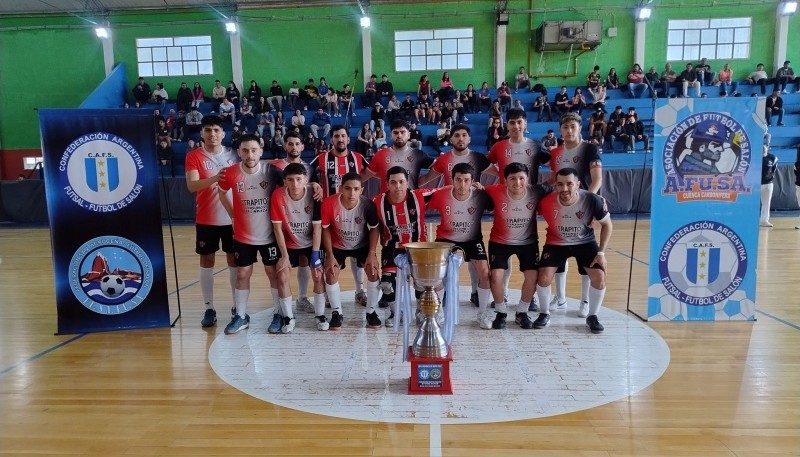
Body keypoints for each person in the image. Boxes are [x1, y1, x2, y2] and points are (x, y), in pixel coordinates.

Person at [535, 167, 613, 333]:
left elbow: (607, 225)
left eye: (569, 184)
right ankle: (544, 313)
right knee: (542, 278)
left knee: (599, 276)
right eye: (560, 184)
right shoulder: (545, 201)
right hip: (556, 243)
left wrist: (601, 253)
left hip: (585, 243)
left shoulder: (592, 200)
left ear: (578, 184)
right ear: (555, 185)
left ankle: (592, 316)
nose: (564, 189)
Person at [216, 133, 280, 335]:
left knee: (273, 273)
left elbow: (290, 188)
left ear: (260, 151)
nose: (250, 155)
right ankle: (241, 316)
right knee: (242, 273)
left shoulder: (272, 171)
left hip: (269, 234)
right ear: (239, 152)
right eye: (245, 150)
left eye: (254, 150)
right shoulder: (230, 173)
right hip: (243, 235)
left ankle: (278, 313)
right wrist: (232, 215)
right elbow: (221, 191)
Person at [184, 115, 238, 328]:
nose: (212, 134)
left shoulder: (234, 154)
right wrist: (217, 177)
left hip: (233, 218)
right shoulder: (194, 156)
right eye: (208, 130)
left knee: (234, 262)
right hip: (207, 218)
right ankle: (209, 308)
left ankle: (237, 307)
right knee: (207, 262)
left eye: (216, 130)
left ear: (223, 133)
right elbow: (192, 186)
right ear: (202, 133)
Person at [484, 162, 552, 330]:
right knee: (496, 276)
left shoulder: (537, 191)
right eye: (512, 178)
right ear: (505, 180)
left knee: (532, 276)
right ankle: (501, 312)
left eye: (521, 178)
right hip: (500, 242)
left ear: (527, 180)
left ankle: (522, 312)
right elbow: (476, 192)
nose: (517, 182)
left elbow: (560, 189)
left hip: (527, 243)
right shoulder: (493, 190)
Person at [547, 111, 603, 311]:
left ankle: (585, 301)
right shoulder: (556, 152)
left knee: (584, 254)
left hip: (583, 209)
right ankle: (560, 298)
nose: (569, 131)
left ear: (580, 128)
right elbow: (555, 179)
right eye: (565, 127)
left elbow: (597, 179)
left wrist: (587, 200)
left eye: (573, 127)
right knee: (560, 250)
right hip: (560, 207)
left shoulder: (590, 149)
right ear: (560, 130)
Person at [427, 163, 493, 327]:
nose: (462, 185)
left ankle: (482, 313)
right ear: (452, 180)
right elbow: (420, 201)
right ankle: (439, 312)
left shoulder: (480, 195)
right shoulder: (441, 194)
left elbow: (492, 206)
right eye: (458, 180)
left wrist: (483, 190)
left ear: (472, 181)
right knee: (437, 275)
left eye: (466, 180)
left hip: (472, 239)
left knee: (485, 273)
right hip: (446, 238)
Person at [369, 166, 431, 327]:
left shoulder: (420, 196)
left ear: (407, 183)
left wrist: (474, 186)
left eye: (401, 182)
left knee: (420, 282)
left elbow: (448, 191)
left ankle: (420, 311)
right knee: (387, 284)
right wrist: (371, 253)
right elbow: (373, 227)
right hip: (392, 247)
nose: (398, 186)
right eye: (393, 182)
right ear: (387, 184)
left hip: (418, 247)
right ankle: (396, 312)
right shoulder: (377, 202)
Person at [270, 163, 325, 334]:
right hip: (289, 243)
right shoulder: (278, 195)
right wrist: (284, 256)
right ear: (284, 182)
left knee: (318, 273)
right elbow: (277, 228)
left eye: (299, 180)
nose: (295, 184)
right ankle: (288, 317)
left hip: (311, 242)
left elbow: (317, 229)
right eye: (290, 180)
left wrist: (315, 255)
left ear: (306, 180)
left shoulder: (314, 195)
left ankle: (320, 315)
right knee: (282, 273)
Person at [321, 173, 380, 329]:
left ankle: (371, 313)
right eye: (347, 188)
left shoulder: (368, 205)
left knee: (373, 272)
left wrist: (372, 254)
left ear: (362, 190)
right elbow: (325, 229)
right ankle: (336, 313)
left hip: (362, 244)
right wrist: (330, 256)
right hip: (337, 245)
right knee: (331, 273)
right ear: (341, 188)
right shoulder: (329, 203)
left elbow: (374, 228)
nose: (351, 193)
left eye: (356, 189)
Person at [360, 119, 434, 193]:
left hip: (411, 201)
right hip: (386, 202)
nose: (399, 135)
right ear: (391, 135)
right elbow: (364, 175)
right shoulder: (380, 154)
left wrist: (423, 180)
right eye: (396, 133)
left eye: (402, 132)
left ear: (408, 135)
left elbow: (438, 166)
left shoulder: (418, 154)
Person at [487, 108, 549, 186]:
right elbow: (484, 165)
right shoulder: (498, 146)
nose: (516, 126)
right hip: (506, 194)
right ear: (507, 125)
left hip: (531, 195)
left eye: (519, 122)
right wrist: (501, 173)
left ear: (525, 124)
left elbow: (556, 165)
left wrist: (546, 185)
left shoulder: (536, 145)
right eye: (512, 123)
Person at [419, 124, 491, 188]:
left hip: (474, 201)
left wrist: (483, 189)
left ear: (469, 139)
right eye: (457, 135)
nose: (461, 139)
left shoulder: (479, 158)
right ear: (451, 140)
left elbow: (500, 174)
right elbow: (426, 178)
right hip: (450, 201)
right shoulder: (443, 159)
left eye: (464, 135)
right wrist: (409, 187)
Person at [760, 133, 778, 228]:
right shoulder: (755, 157)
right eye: (761, 147)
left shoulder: (773, 158)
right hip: (756, 185)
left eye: (765, 146)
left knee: (766, 203)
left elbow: (774, 169)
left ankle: (764, 220)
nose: (763, 148)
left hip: (768, 184)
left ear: (767, 147)